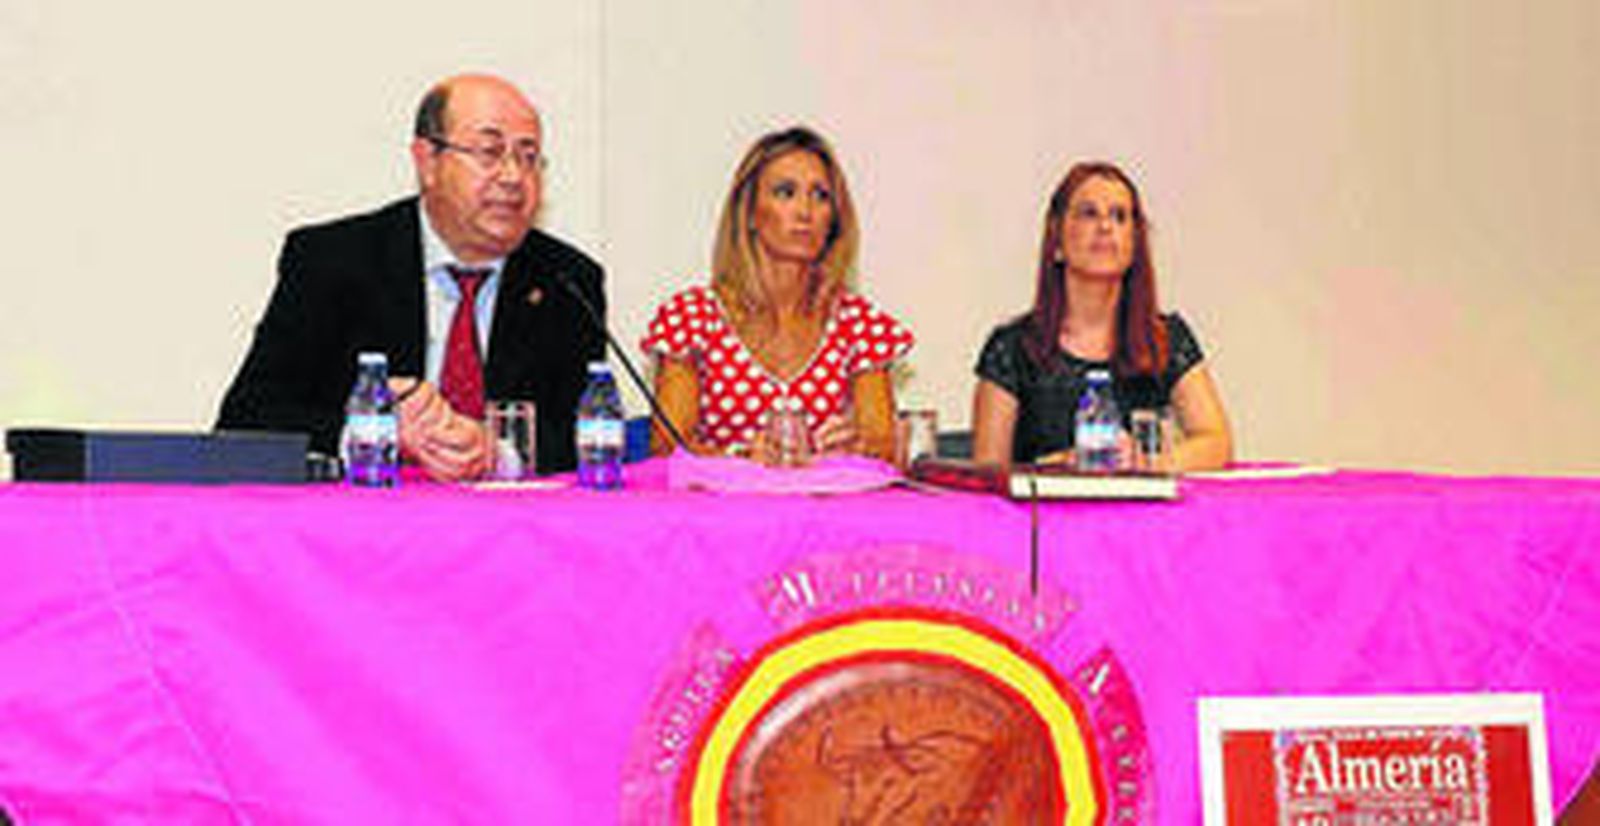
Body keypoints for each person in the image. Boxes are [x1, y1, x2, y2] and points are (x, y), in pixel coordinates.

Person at [217, 74, 605, 479]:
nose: (513, 176)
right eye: (490, 152)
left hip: (507, 532)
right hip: (366, 529)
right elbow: (248, 418)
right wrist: (374, 433)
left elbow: (588, 433)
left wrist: (499, 452)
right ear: (428, 162)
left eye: (528, 157)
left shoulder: (567, 279)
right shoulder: (333, 262)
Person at [640, 126, 913, 464]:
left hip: (829, 513)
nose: (805, 212)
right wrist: (740, 459)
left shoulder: (859, 325)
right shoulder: (692, 319)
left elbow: (884, 451)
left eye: (821, 196)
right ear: (750, 213)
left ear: (835, 219)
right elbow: (668, 449)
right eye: (786, 193)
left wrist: (856, 449)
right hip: (720, 514)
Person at [971, 161, 1231, 470]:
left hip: (1143, 518)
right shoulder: (1012, 348)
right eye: (1089, 213)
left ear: (1135, 244)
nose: (1106, 227)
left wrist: (1148, 462)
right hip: (1042, 518)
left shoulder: (1165, 338)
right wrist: (1058, 465)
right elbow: (987, 474)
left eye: (1120, 216)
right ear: (1056, 239)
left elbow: (1217, 441)